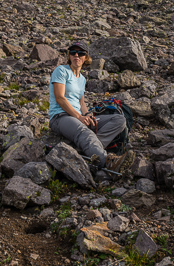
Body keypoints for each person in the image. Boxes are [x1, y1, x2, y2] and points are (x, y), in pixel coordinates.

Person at [49, 41, 134, 174]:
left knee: (119, 120)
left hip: (78, 116)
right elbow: (60, 98)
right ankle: (108, 161)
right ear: (69, 56)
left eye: (81, 53)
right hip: (61, 117)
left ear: (86, 57)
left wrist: (88, 116)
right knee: (85, 132)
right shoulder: (61, 71)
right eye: (73, 52)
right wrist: (79, 117)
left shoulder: (82, 79)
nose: (76, 55)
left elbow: (82, 104)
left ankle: (88, 150)